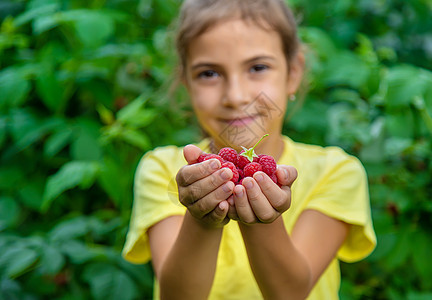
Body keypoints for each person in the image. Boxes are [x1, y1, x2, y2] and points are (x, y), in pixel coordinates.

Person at [122, 0, 376, 299]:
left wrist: (262, 221)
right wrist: (201, 221)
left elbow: (292, 293)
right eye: (209, 73)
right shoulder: (164, 170)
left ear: (293, 72)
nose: (236, 96)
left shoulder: (336, 172)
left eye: (257, 67)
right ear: (186, 84)